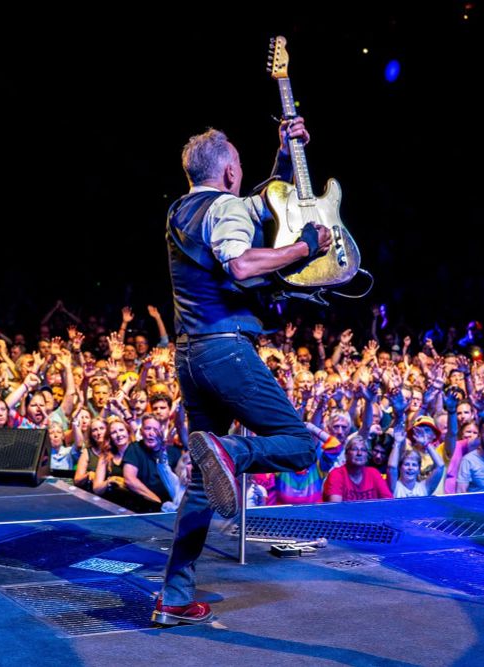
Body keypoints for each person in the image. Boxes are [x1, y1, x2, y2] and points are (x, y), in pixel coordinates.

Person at [155, 118, 332, 627]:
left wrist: (284, 158)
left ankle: (174, 596)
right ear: (230, 170)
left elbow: (261, 204)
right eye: (239, 164)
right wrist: (304, 248)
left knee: (201, 482)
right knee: (299, 445)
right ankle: (230, 452)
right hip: (225, 350)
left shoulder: (180, 210)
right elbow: (240, 265)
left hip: (190, 355)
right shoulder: (226, 208)